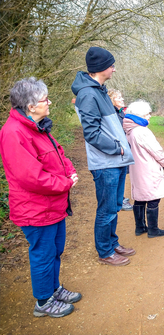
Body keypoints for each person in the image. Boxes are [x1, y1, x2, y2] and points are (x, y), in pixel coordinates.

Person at [0, 78, 81, 317]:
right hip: (35, 210)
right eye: (45, 100)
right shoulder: (14, 133)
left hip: (52, 205)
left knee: (55, 250)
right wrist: (65, 184)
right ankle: (44, 301)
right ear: (31, 106)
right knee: (43, 255)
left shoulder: (38, 127)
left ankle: (53, 288)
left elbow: (58, 154)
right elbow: (31, 177)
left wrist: (69, 171)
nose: (50, 103)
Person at [71, 47, 135, 266]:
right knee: (106, 209)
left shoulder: (99, 90)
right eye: (111, 65)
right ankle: (105, 251)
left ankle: (112, 242)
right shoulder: (88, 94)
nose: (114, 69)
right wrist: (117, 148)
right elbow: (91, 133)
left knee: (115, 206)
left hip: (115, 160)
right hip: (106, 162)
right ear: (101, 68)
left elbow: (108, 123)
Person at [123, 100, 164, 237]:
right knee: (153, 197)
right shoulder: (142, 131)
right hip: (148, 168)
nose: (149, 116)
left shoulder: (130, 131)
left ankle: (140, 227)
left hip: (136, 168)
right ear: (140, 115)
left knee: (140, 197)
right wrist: (163, 163)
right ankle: (153, 230)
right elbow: (156, 150)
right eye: (147, 114)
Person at [107, 88, 132, 211]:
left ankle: (120, 199)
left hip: (123, 151)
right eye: (118, 97)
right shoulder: (111, 115)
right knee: (116, 178)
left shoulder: (121, 112)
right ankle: (118, 201)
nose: (122, 99)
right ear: (111, 100)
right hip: (117, 152)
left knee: (122, 176)